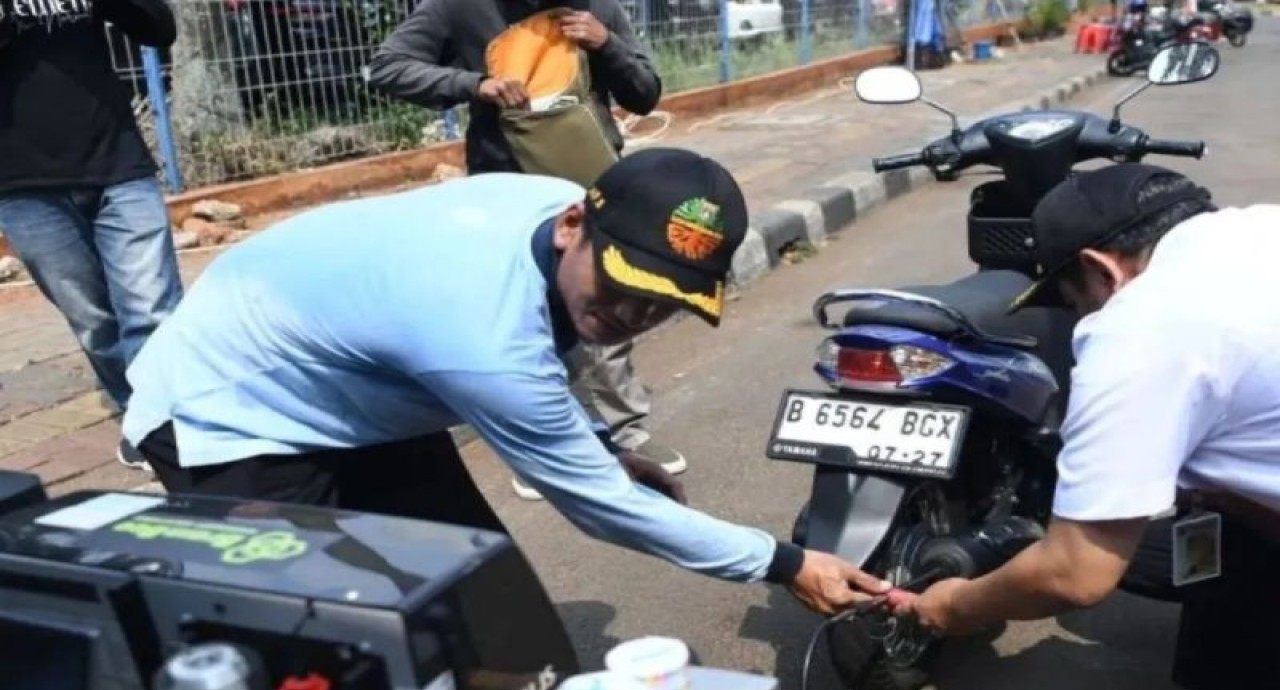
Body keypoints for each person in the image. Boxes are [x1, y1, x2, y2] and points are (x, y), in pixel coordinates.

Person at [120, 147, 890, 614]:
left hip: (354, 387)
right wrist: (787, 563)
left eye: (662, 306)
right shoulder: (477, 338)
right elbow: (602, 510)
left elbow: (543, 349)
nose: (629, 315)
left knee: (472, 588)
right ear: (572, 227)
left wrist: (598, 442)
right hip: (227, 411)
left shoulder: (547, 213)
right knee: (302, 637)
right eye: (621, 284)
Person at [886, 164, 1280, 690]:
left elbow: (1075, 573)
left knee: (1118, 551)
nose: (1081, 316)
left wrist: (953, 606)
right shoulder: (1256, 228)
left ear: (1101, 271)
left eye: (1073, 302)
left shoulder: (1139, 329)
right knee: (1206, 527)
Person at [367, 0, 683, 502]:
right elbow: (387, 68)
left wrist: (606, 44)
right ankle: (549, 445)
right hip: (507, 193)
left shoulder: (597, 8)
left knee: (608, 297)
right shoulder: (460, 8)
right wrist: (473, 85)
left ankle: (626, 432)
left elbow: (644, 94)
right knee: (527, 313)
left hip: (591, 179)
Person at [0, 0, 184, 472]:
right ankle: (136, 411)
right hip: (21, 183)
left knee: (152, 308)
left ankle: (164, 422)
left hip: (119, 163)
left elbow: (159, 29)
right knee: (94, 320)